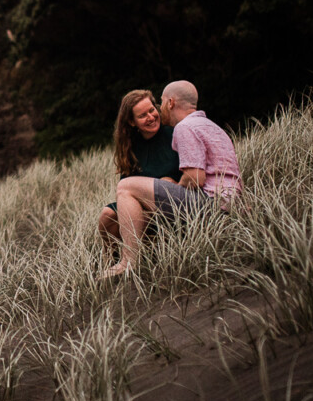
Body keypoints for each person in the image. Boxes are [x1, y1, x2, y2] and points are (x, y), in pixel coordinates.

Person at [104, 80, 241, 278]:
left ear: (170, 102)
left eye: (159, 103)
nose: (156, 111)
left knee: (125, 186)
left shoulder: (184, 128)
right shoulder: (210, 126)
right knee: (109, 212)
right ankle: (131, 256)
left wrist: (176, 185)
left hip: (213, 208)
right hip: (229, 205)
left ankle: (129, 262)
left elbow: (195, 178)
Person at [98, 89, 181, 257]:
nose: (151, 117)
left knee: (165, 182)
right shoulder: (130, 146)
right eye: (142, 115)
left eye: (152, 110)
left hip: (173, 204)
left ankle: (152, 250)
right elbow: (125, 189)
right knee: (107, 215)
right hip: (141, 207)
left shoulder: (174, 134)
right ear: (132, 122)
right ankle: (112, 257)